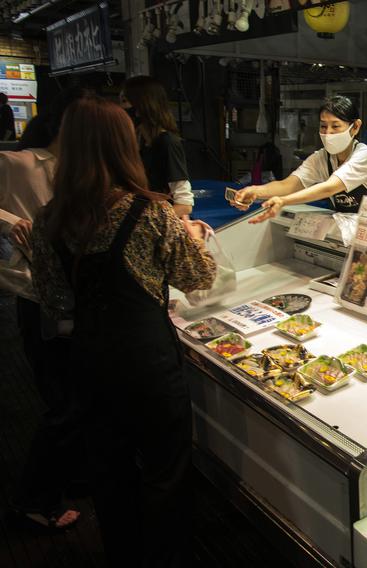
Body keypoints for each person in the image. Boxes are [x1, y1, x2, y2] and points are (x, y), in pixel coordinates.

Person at [31, 96, 216, 565]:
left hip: (90, 361)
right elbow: (197, 278)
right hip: (149, 364)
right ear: (124, 146)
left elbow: (54, 301)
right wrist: (194, 237)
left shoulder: (48, 219)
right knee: (164, 471)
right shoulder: (150, 211)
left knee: (108, 473)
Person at [1, 86, 93, 529]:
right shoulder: (20, 161)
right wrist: (9, 221)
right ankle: (33, 499)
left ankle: (71, 476)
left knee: (76, 395)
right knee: (64, 403)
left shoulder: (79, 170)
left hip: (71, 294)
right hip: (36, 293)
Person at [232, 95, 367, 221]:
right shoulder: (321, 158)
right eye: (323, 126)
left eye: (336, 126)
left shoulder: (363, 155)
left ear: (356, 127)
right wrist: (255, 191)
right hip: (348, 226)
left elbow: (329, 187)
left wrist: (283, 201)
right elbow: (289, 185)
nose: (328, 133)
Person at [121, 75, 194, 217]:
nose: (120, 108)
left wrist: (145, 223)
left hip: (159, 231)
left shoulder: (167, 143)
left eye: (125, 101)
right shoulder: (137, 142)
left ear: (142, 105)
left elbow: (184, 205)